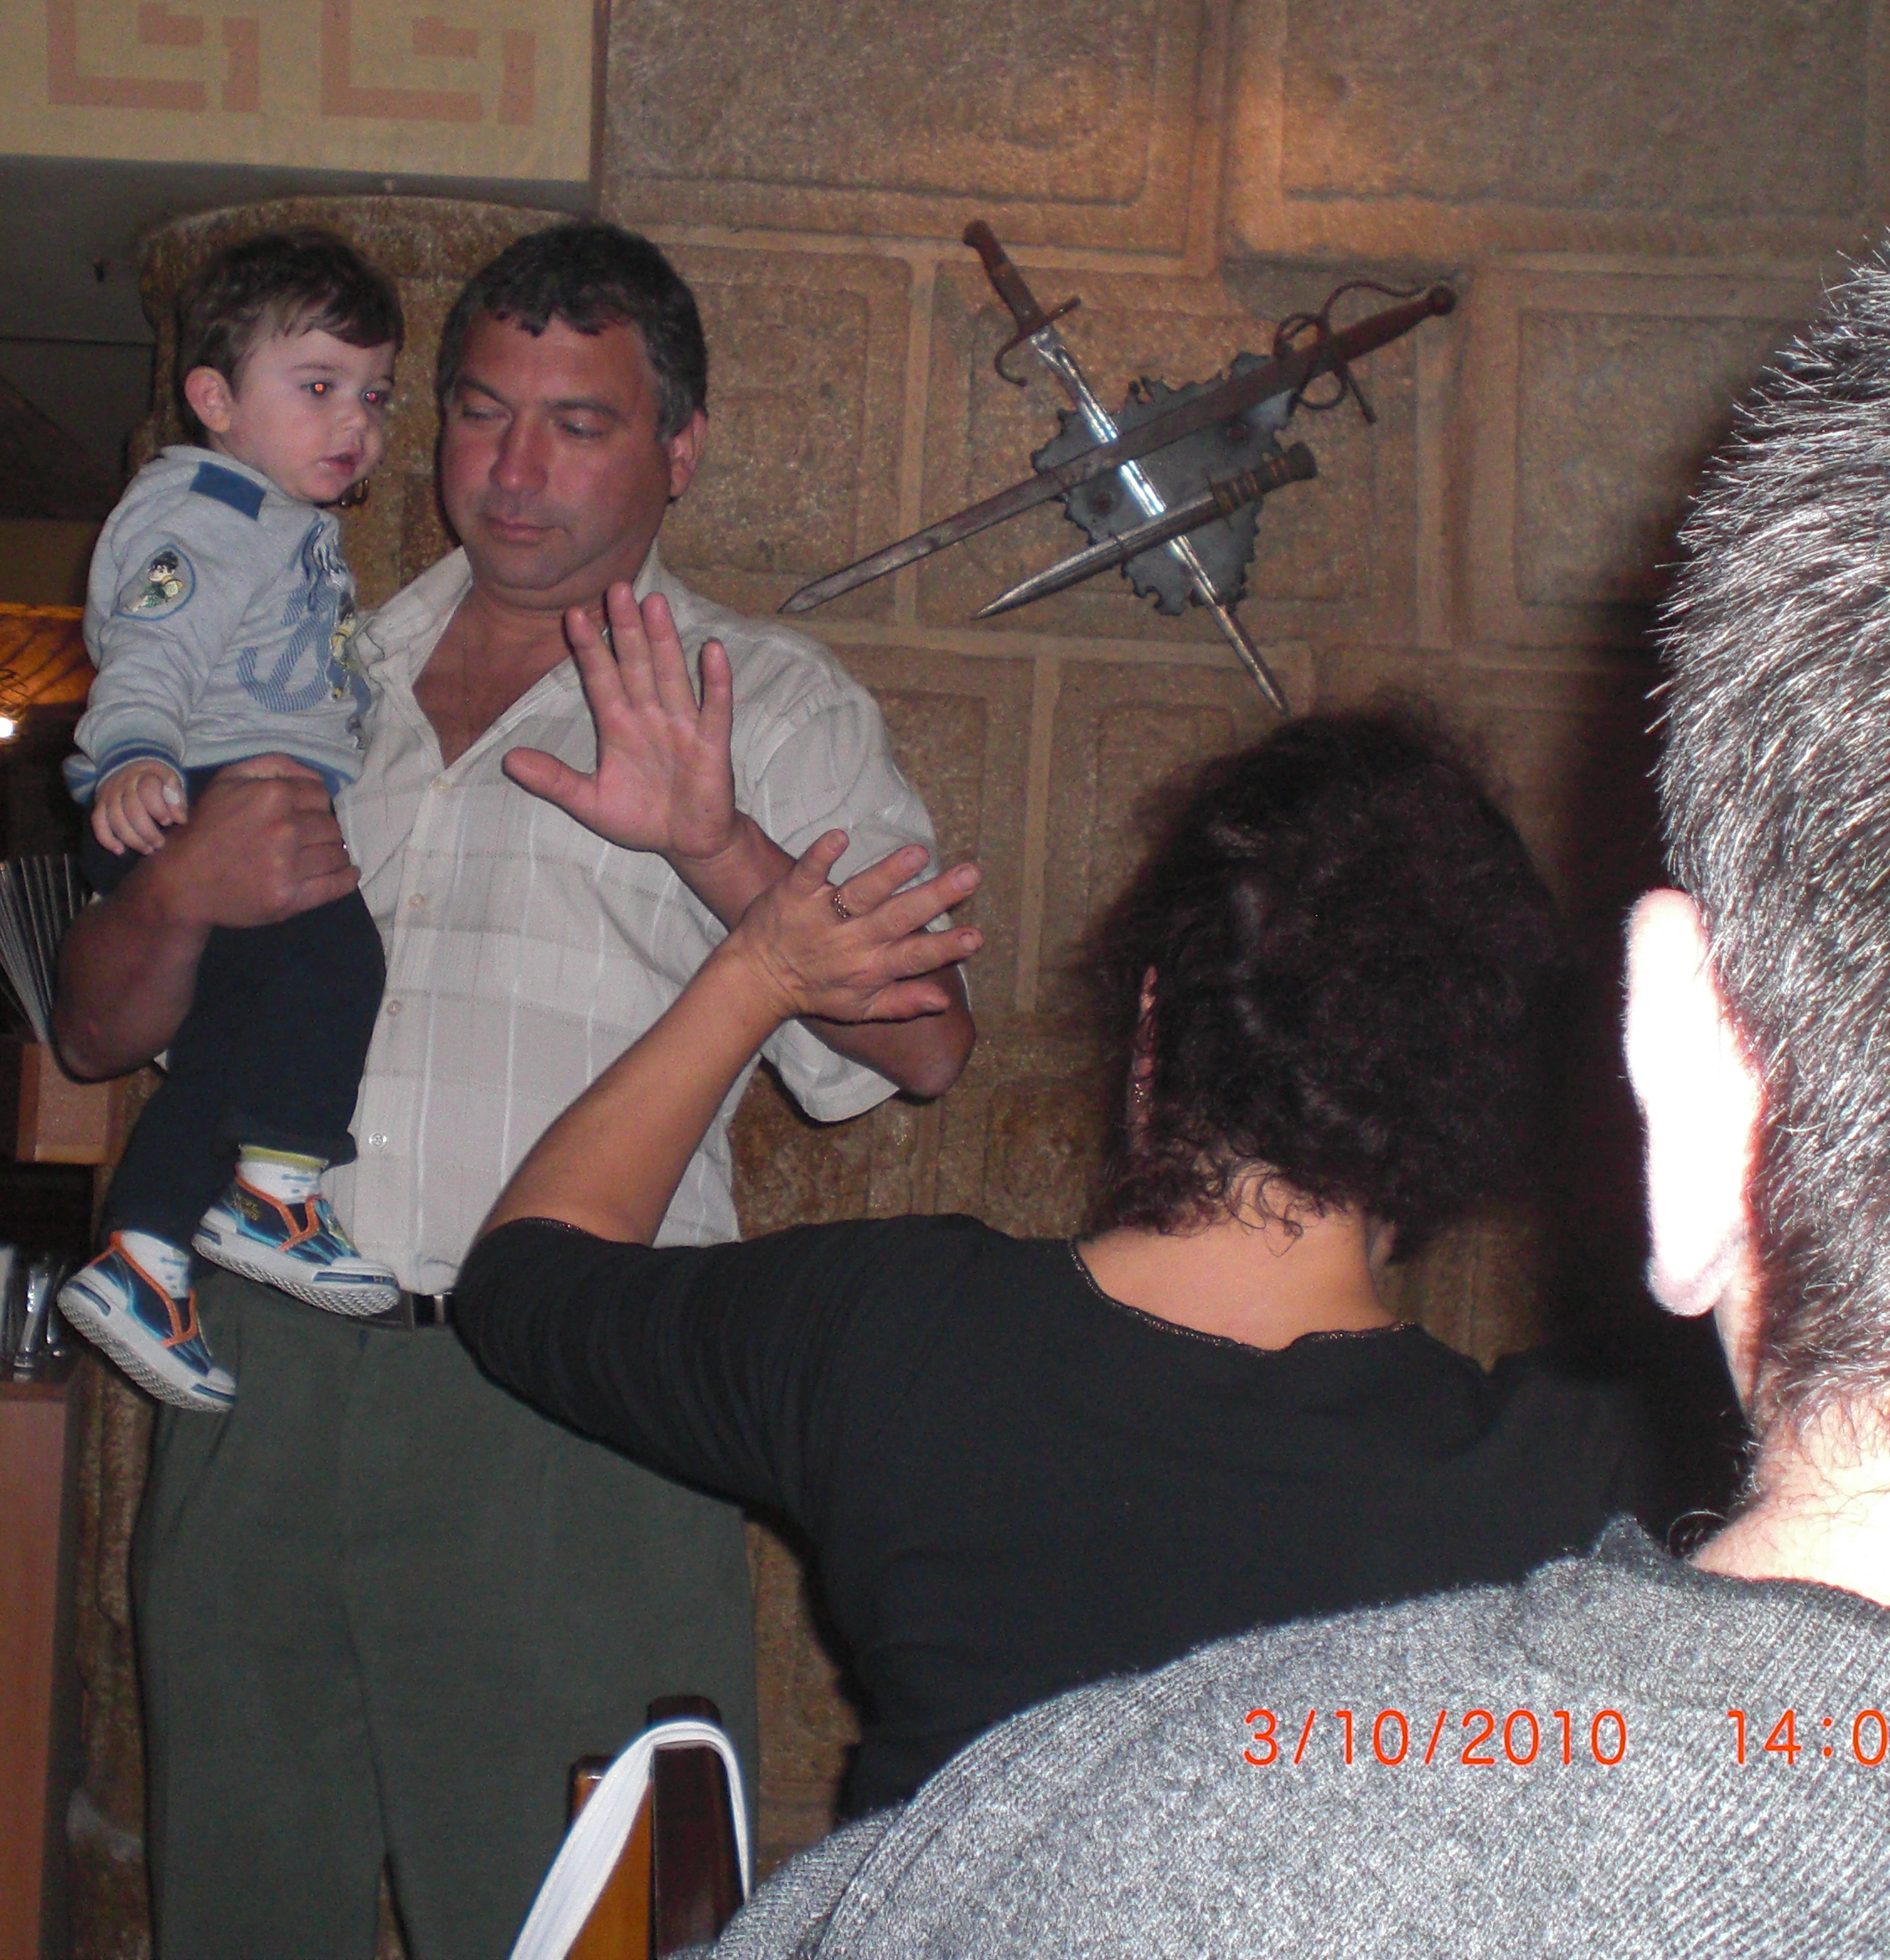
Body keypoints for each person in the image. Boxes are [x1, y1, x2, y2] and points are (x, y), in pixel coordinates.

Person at [700, 119, 1890, 1957]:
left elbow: (520, 1282)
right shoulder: (1547, 1477)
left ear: (1694, 1077)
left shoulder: (1045, 1802)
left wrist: (743, 941)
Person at [49, 220, 976, 1960]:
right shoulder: (305, 659)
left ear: (680, 449)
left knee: (579, 1926)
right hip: (251, 1376)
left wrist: (711, 838)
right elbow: (94, 1034)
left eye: (579, 424)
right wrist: (176, 890)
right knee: (240, 1915)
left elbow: (926, 1042)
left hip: (576, 1404)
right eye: (479, 414)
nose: (514, 470)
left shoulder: (763, 701)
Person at [457, 711, 1650, 1816]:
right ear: (1468, 1092)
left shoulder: (894, 1333)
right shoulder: (1575, 1482)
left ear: (1152, 1024)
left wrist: (759, 970)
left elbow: (524, 1280)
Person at [57, 230, 406, 1409]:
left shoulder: (279, 517)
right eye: (317, 387)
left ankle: (143, 1257)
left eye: (373, 394)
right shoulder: (210, 508)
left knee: (227, 1056)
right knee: (338, 964)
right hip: (196, 793)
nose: (354, 420)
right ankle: (278, 1194)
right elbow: (150, 646)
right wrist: (136, 754)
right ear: (214, 400)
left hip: (218, 788)